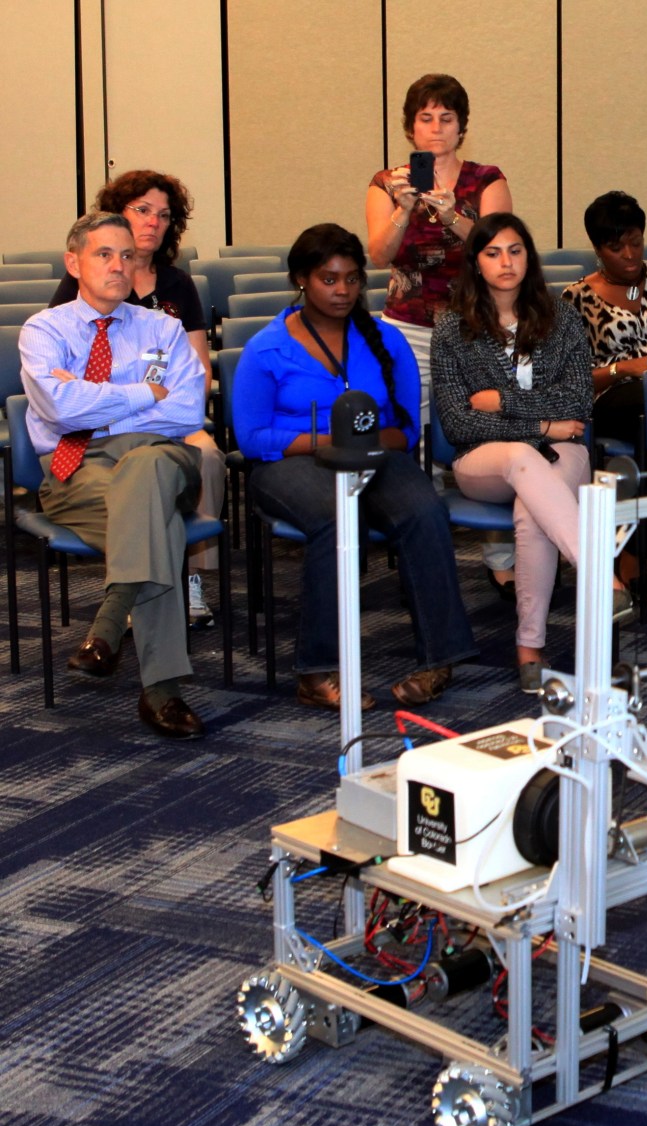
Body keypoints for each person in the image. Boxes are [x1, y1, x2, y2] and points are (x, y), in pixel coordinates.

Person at [234, 224, 475, 711]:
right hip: (290, 462)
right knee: (334, 516)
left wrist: (359, 445)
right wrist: (328, 442)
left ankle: (439, 657)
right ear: (301, 279)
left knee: (425, 510)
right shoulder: (267, 348)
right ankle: (317, 669)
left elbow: (406, 429)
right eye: (328, 279)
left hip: (375, 455)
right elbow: (253, 437)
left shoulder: (385, 339)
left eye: (351, 279)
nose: (342, 290)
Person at [19, 213, 208, 738]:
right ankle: (161, 693)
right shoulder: (44, 330)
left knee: (146, 470)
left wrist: (91, 399)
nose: (119, 265)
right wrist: (145, 393)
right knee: (157, 525)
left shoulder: (163, 328)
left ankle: (108, 625)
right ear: (73, 262)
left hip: (161, 458)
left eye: (127, 255)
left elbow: (188, 411)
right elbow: (59, 410)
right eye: (104, 254)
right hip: (77, 470)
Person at [432, 213, 622, 691]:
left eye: (515, 251)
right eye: (493, 253)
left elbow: (578, 403)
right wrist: (541, 423)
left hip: (564, 450)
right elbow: (458, 422)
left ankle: (529, 646)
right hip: (484, 459)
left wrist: (505, 402)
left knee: (532, 509)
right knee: (520, 454)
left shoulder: (562, 320)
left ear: (529, 258)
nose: (506, 262)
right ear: (475, 262)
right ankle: (601, 574)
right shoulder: (451, 329)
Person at [49, 170, 224, 629]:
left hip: (166, 423)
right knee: (131, 479)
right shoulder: (82, 282)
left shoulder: (177, 286)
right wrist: (140, 397)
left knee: (206, 453)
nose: (153, 222)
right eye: (142, 210)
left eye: (164, 215)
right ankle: (144, 580)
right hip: (107, 430)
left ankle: (191, 578)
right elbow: (65, 385)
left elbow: (198, 374)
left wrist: (132, 402)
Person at [366, 72, 518, 597]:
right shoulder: (387, 183)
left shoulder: (486, 180)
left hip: (476, 324)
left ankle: (503, 559)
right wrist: (406, 210)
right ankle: (424, 558)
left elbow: (500, 249)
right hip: (408, 327)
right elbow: (379, 255)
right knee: (417, 441)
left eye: (446, 119)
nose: (436, 128)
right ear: (411, 128)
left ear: (461, 127)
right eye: (425, 118)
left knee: (492, 431)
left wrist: (457, 217)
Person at [561, 190, 647, 454]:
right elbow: (573, 382)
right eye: (616, 247)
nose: (629, 254)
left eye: (636, 243)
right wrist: (624, 368)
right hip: (618, 395)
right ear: (597, 249)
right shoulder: (576, 299)